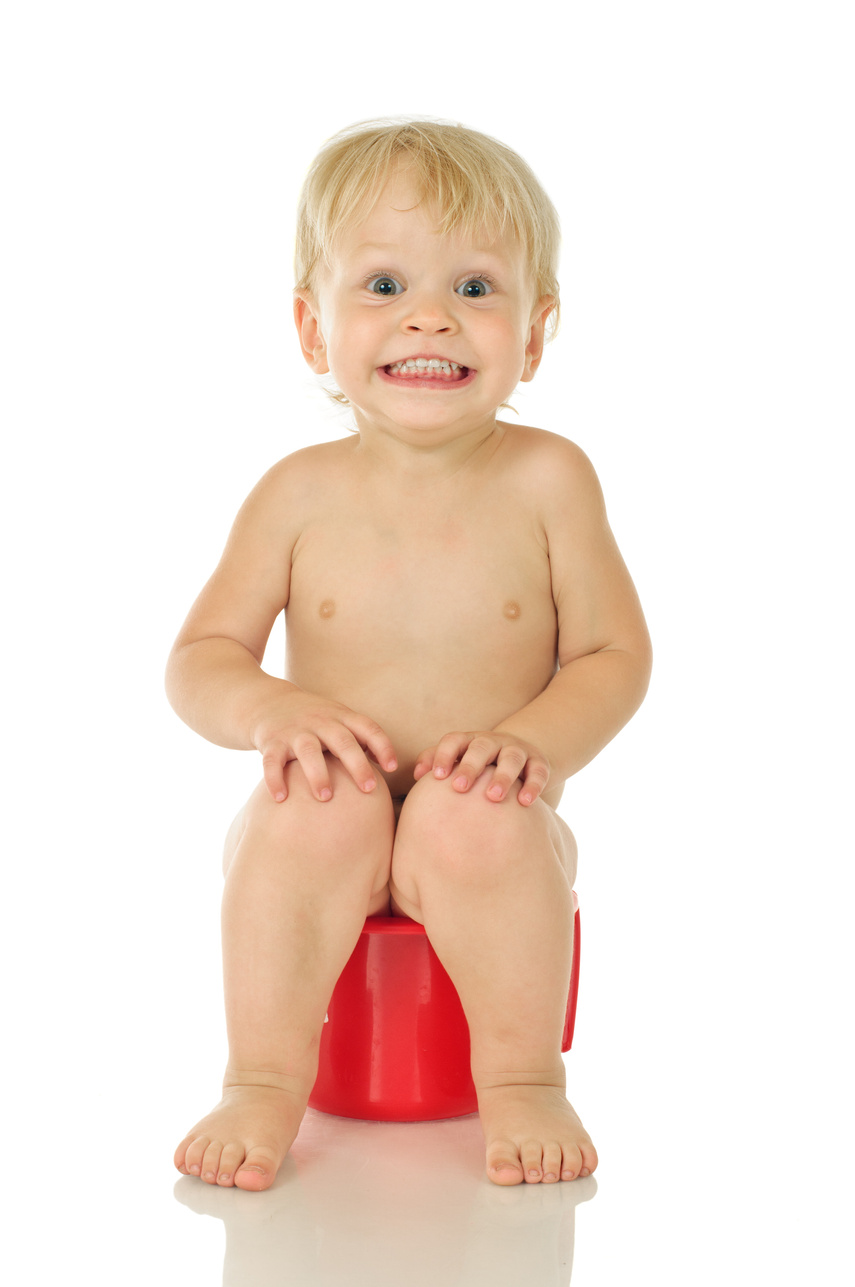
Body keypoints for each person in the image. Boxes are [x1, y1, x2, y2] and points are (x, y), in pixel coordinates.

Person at [169, 118, 652, 1192]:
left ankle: (525, 1078)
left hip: (486, 820)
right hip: (326, 809)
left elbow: (615, 653)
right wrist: (270, 716)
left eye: (476, 289)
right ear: (312, 327)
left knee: (472, 820)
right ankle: (259, 1076)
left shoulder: (550, 481)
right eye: (383, 285)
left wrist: (529, 745)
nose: (430, 314)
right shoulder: (296, 492)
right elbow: (202, 655)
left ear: (534, 335)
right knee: (311, 811)